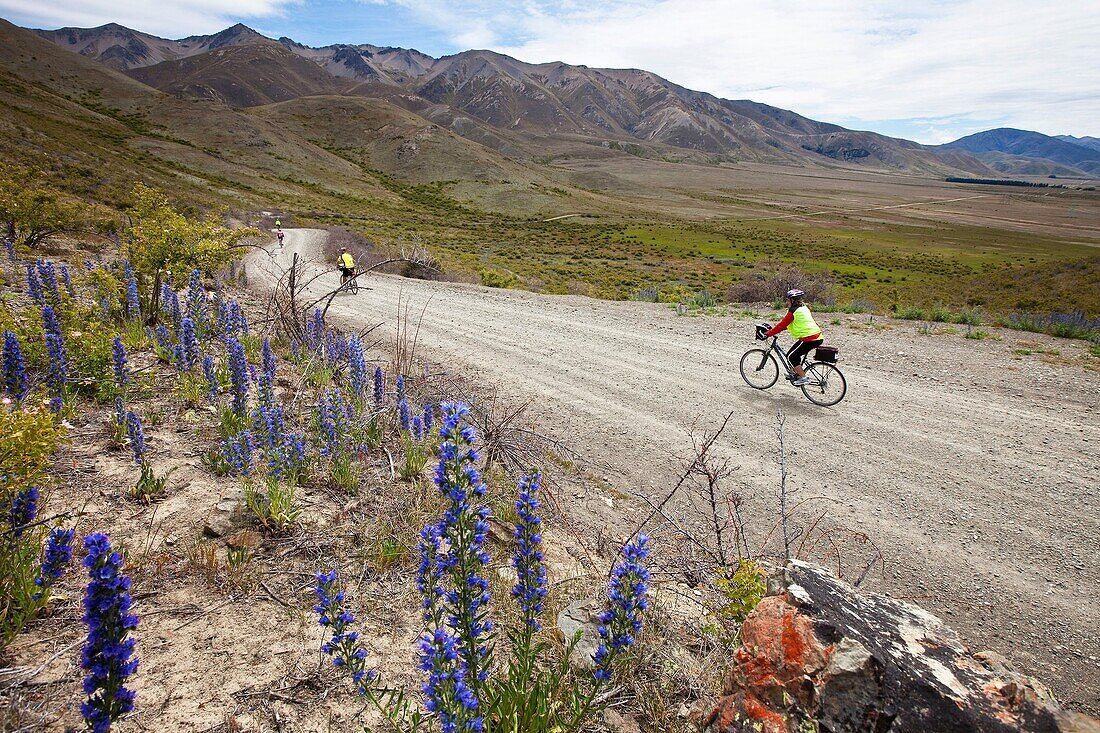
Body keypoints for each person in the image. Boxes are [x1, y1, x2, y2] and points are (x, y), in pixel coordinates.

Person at [759, 289, 822, 386]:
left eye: (788, 300)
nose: (787, 302)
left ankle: (803, 377)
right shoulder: (803, 308)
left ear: (793, 300)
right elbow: (788, 324)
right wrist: (776, 330)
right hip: (817, 336)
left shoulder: (793, 311)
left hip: (809, 338)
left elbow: (781, 325)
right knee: (795, 354)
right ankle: (794, 372)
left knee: (790, 356)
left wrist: (768, 333)